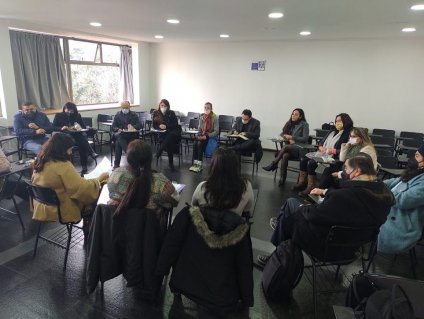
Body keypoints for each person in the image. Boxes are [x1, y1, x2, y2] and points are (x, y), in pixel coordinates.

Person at [257, 153, 394, 266]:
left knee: (292, 206)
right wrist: (327, 193)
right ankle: (281, 227)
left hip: (326, 246)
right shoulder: (385, 195)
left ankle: (276, 255)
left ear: (356, 171)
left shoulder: (344, 196)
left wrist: (306, 208)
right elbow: (348, 203)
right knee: (291, 214)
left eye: (346, 169)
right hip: (353, 247)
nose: (343, 172)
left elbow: (315, 215)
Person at [32, 133, 108, 223]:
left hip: (41, 207)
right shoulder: (63, 165)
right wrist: (98, 180)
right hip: (61, 210)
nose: (71, 152)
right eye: (70, 149)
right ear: (63, 149)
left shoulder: (39, 161)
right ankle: (91, 230)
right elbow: (81, 189)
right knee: (96, 194)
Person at [107, 139, 179, 219]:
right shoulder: (161, 182)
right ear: (150, 159)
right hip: (146, 229)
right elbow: (175, 201)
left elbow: (112, 195)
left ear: (128, 158)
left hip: (117, 227)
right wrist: (172, 197)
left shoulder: (115, 175)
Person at [377, 145, 424, 254]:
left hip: (403, 223)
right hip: (391, 209)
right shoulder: (416, 172)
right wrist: (374, 184)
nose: (413, 158)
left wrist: (381, 192)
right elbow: (394, 181)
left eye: (417, 156)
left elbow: (403, 200)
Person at [292, 113, 353, 196]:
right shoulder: (332, 131)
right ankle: (302, 183)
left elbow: (345, 150)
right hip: (323, 154)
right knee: (304, 160)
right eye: (336, 121)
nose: (337, 123)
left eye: (340, 121)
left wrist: (331, 150)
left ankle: (311, 187)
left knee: (311, 163)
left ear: (345, 121)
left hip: (335, 159)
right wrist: (321, 147)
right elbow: (321, 142)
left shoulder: (348, 134)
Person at [191, 148, 254, 216]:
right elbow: (247, 209)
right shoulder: (246, 187)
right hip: (233, 225)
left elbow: (193, 207)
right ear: (236, 167)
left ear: (213, 167)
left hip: (205, 226)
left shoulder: (202, 187)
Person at [317, 127, 377, 191]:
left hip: (359, 174)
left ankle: (322, 192)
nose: (351, 138)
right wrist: (345, 147)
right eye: (350, 136)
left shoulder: (367, 149)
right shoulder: (353, 146)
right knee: (328, 170)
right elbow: (342, 159)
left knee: (330, 176)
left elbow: (359, 169)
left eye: (354, 136)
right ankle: (321, 192)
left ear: (361, 137)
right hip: (349, 169)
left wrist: (339, 174)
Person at [262, 108, 309, 186]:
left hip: (300, 149)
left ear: (300, 116)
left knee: (286, 147)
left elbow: (305, 138)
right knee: (285, 155)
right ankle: (282, 179)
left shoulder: (304, 124)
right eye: (292, 114)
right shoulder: (289, 123)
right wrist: (284, 137)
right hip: (290, 148)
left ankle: (274, 164)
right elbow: (282, 134)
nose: (293, 116)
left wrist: (292, 137)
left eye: (296, 114)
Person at [53, 102, 98, 174]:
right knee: (82, 141)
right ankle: (92, 153)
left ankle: (84, 166)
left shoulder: (77, 115)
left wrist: (78, 127)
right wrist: (61, 128)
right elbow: (53, 127)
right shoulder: (58, 115)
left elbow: (83, 126)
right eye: (69, 110)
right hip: (65, 136)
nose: (70, 112)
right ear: (65, 109)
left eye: (72, 111)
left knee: (81, 142)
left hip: (76, 135)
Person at [152, 99, 182, 170]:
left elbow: (175, 125)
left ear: (168, 106)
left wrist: (166, 126)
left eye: (165, 106)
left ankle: (160, 150)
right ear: (159, 105)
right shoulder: (156, 113)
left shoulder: (171, 113)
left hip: (173, 134)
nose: (163, 107)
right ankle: (171, 163)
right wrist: (159, 126)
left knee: (170, 136)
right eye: (162, 105)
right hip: (162, 135)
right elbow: (154, 125)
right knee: (169, 142)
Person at [189, 102, 219, 172]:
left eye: (208, 108)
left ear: (211, 109)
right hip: (203, 135)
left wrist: (207, 136)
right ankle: (194, 164)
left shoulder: (215, 118)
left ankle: (199, 165)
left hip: (210, 136)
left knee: (199, 144)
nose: (206, 109)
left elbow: (216, 131)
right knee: (195, 143)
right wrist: (199, 135)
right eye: (205, 107)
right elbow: (199, 129)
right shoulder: (202, 117)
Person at [111, 101, 141, 169]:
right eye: (123, 107)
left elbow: (140, 125)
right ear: (121, 107)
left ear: (129, 107)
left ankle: (116, 164)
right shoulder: (117, 115)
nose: (124, 109)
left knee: (118, 142)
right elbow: (113, 127)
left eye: (126, 107)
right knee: (119, 136)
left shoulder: (134, 115)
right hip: (121, 133)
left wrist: (133, 127)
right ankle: (130, 155)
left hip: (131, 135)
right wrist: (118, 129)